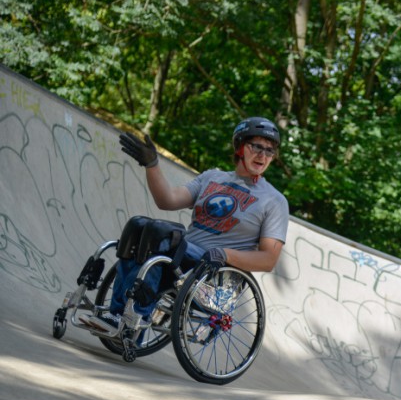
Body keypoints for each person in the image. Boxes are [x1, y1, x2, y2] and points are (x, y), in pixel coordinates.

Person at [83, 116, 290, 332]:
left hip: (212, 273)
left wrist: (225, 254)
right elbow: (168, 200)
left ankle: (136, 315)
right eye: (256, 146)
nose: (262, 155)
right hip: (181, 259)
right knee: (138, 225)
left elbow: (268, 259)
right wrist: (152, 165)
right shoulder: (212, 177)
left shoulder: (273, 201)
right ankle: (118, 315)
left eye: (269, 150)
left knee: (159, 232)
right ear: (239, 146)